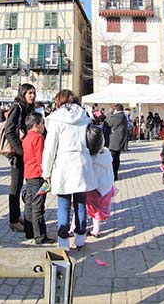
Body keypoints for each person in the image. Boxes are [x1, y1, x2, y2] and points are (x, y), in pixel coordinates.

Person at [42, 90, 96, 250]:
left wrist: (46, 171)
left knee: (63, 205)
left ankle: (63, 240)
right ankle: (80, 238)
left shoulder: (56, 119)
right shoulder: (85, 117)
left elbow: (50, 148)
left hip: (64, 165)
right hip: (82, 163)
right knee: (80, 204)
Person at [5, 84, 36, 233]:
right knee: (15, 187)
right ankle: (13, 220)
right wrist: (20, 151)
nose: (32, 96)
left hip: (26, 154)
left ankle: (17, 217)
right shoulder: (17, 107)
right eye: (29, 93)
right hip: (18, 156)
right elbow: (9, 131)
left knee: (19, 186)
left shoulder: (28, 109)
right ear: (23, 93)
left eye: (34, 93)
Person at [22, 113, 55, 244]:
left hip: (29, 174)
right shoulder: (38, 137)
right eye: (42, 123)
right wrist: (47, 174)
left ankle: (29, 231)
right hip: (37, 175)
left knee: (29, 204)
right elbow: (41, 157)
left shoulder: (26, 137)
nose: (44, 126)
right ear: (36, 125)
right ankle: (40, 236)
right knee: (38, 206)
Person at [85, 132, 114, 238]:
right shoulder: (107, 154)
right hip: (106, 187)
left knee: (86, 207)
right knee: (97, 210)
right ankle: (96, 230)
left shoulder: (89, 158)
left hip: (93, 188)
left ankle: (76, 228)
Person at [107, 104, 127, 181]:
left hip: (114, 140)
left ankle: (113, 175)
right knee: (116, 158)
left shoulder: (117, 116)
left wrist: (110, 114)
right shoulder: (123, 116)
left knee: (113, 158)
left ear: (116, 109)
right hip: (119, 139)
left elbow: (109, 123)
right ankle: (115, 174)